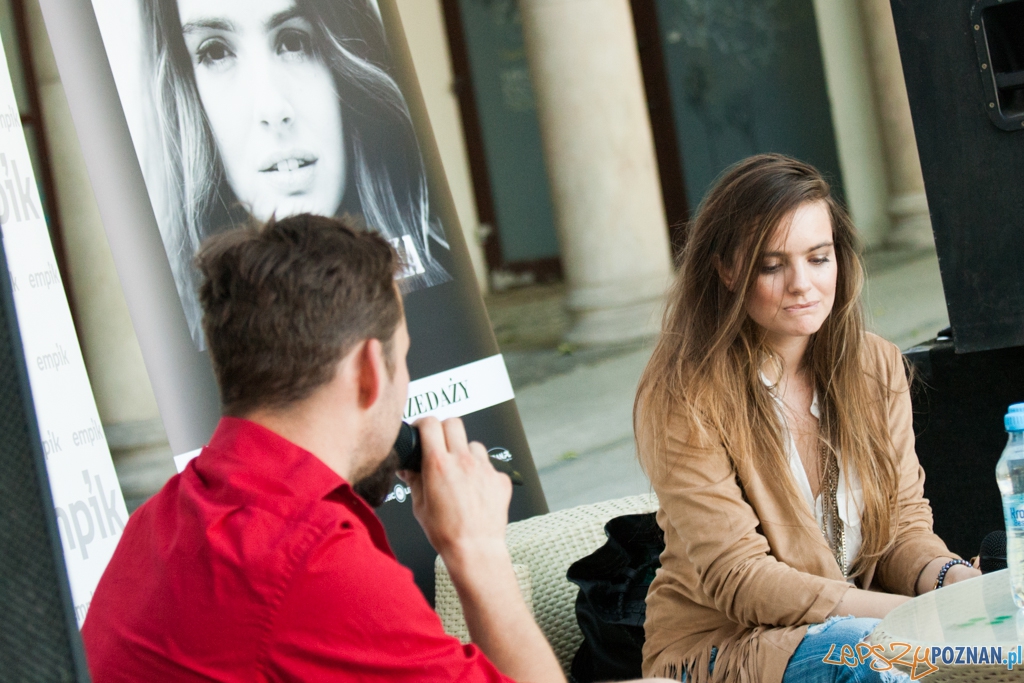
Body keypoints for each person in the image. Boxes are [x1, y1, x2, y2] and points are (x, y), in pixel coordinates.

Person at [81, 214, 670, 682]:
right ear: (370, 368)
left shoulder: (162, 518)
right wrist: (476, 551)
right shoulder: (306, 560)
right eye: (404, 356)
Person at [633, 154, 980, 683]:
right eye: (772, 266)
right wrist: (913, 618)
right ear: (726, 270)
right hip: (723, 648)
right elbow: (740, 578)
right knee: (873, 652)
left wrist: (953, 583)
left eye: (818, 258)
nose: (803, 284)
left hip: (861, 624)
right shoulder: (684, 392)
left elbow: (904, 528)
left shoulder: (875, 365)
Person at [141, 0, 450, 345]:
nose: (273, 108)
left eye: (293, 42)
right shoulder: (177, 337)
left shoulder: (447, 293)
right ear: (184, 87)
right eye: (216, 52)